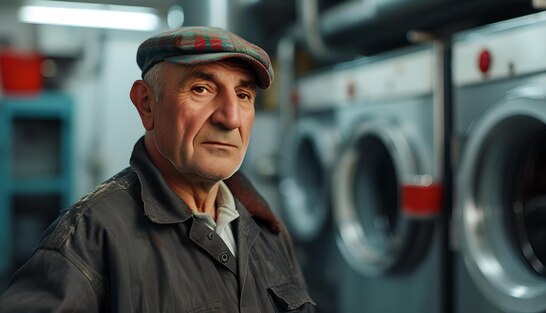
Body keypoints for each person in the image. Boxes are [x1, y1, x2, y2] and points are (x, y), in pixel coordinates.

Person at [0, 26, 315, 312]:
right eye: (202, 89)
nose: (230, 118)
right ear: (146, 104)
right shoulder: (88, 240)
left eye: (243, 95)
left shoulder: (264, 228)